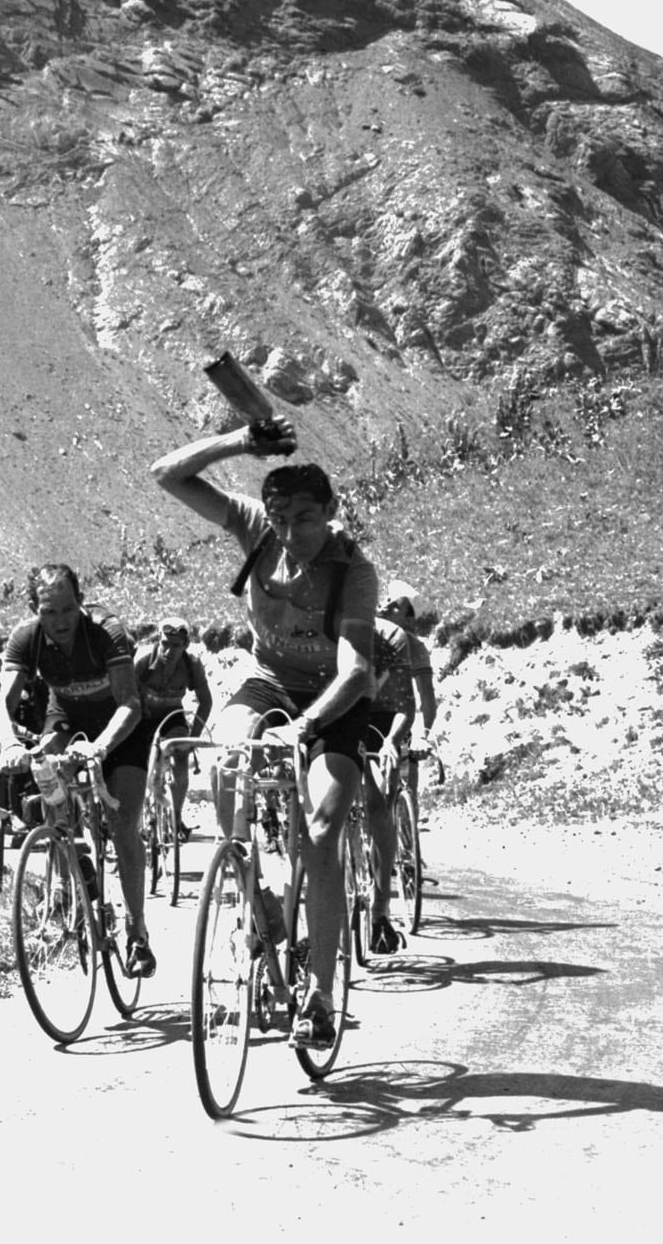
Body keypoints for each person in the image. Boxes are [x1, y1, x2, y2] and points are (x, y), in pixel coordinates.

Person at [152, 419, 379, 1049]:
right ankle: (255, 893)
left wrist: (303, 730)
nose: (288, 534)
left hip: (330, 700)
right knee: (225, 759)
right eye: (279, 520)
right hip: (266, 680)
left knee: (323, 830)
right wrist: (241, 443)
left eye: (303, 520)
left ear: (330, 513)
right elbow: (166, 474)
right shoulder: (257, 529)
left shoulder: (355, 571)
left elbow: (358, 670)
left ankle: (321, 994)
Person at [0, 564, 156, 978]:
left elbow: (130, 704)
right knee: (51, 785)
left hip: (122, 729)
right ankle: (75, 861)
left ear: (80, 602)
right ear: (34, 609)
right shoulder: (26, 639)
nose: (61, 621)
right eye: (50, 612)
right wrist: (10, 743)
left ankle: (138, 934)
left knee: (123, 824)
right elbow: (3, 706)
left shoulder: (106, 631)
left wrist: (100, 747)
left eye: (68, 609)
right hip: (64, 718)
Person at [362, 580, 438, 953]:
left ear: (409, 615)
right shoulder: (371, 634)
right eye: (385, 604)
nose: (385, 608)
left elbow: (424, 700)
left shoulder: (417, 648)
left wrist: (424, 734)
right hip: (367, 718)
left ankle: (407, 854)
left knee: (400, 785)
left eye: (395, 606)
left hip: (397, 720)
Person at [135, 618, 214, 836]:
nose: (169, 651)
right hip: (144, 715)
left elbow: (206, 702)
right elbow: (126, 697)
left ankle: (176, 817)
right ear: (158, 641)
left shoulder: (192, 664)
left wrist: (193, 740)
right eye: (165, 643)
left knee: (181, 756)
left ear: (185, 646)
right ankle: (137, 813)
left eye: (176, 645)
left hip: (173, 715)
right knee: (137, 761)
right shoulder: (142, 660)